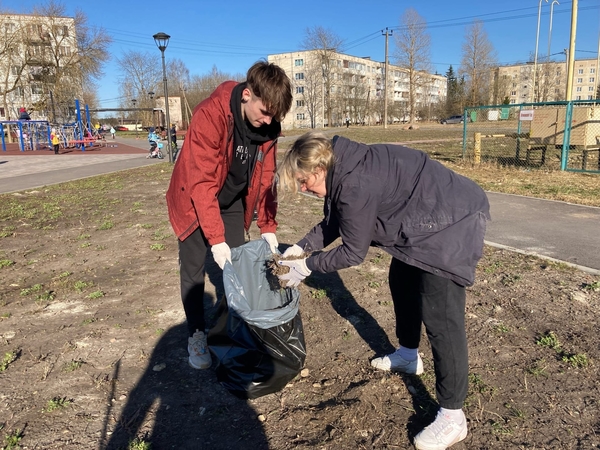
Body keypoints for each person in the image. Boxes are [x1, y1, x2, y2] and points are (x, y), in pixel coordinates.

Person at [276, 132, 490, 450]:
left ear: (319, 169)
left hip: (452, 221)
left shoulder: (353, 182)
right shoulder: (342, 168)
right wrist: (298, 249)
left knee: (442, 316)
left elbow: (353, 252)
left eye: (304, 182)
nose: (304, 189)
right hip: (422, 221)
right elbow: (335, 222)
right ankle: (407, 354)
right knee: (400, 279)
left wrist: (307, 267)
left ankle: (453, 416)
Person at [165, 61, 292, 370]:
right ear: (247, 94)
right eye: (265, 112)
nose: (267, 120)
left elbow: (266, 178)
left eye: (274, 115)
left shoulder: (268, 128)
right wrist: (215, 238)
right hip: (193, 198)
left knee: (238, 268)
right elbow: (202, 182)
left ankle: (230, 328)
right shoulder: (211, 114)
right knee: (194, 270)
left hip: (231, 200)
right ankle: (196, 333)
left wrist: (268, 226)